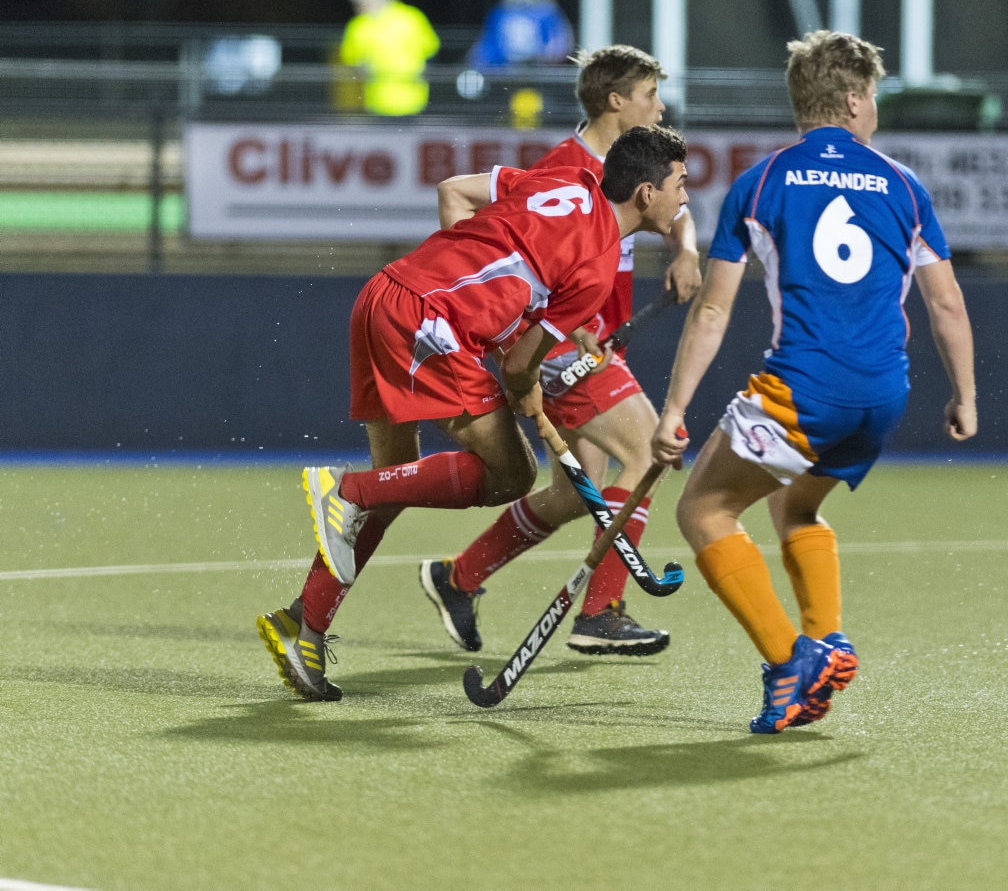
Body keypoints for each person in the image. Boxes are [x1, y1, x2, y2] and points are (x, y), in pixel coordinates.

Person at [256, 124, 690, 702]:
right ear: (645, 193)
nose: (685, 200)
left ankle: (302, 628)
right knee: (511, 474)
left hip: (385, 296)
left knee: (393, 489)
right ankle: (346, 491)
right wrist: (525, 387)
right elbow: (518, 369)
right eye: (680, 186)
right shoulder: (599, 266)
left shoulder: (568, 178)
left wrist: (480, 297)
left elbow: (454, 192)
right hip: (430, 325)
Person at [650, 31, 978, 734]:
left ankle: (788, 663)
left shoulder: (762, 181)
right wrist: (965, 393)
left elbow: (714, 307)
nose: (876, 113)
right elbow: (946, 303)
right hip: (883, 394)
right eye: (876, 100)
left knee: (703, 512)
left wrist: (674, 408)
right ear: (854, 100)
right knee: (795, 506)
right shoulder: (903, 185)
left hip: (803, 389)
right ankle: (827, 641)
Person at [419, 45, 702, 657]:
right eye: (650, 94)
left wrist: (687, 250)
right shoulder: (565, 168)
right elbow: (472, 219)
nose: (659, 104)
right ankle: (601, 612)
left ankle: (458, 577)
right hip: (563, 347)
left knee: (578, 492)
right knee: (647, 449)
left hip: (593, 342)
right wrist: (486, 308)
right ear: (616, 101)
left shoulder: (643, 166)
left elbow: (673, 201)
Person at [338, 0, 440, 116]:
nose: (357, 3)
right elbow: (352, 61)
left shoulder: (411, 18)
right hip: (383, 101)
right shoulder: (359, 25)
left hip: (408, 100)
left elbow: (431, 51)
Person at [467, 0, 574, 71]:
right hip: (502, 77)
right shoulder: (499, 14)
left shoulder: (547, 12)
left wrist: (540, 57)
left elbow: (560, 47)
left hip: (538, 76)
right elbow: (484, 49)